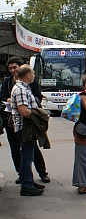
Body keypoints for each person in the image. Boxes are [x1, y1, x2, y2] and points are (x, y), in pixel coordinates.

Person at [0, 56, 50, 185]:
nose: (12, 70)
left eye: (14, 67)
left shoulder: (28, 85)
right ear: (27, 74)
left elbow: (37, 96)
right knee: (21, 153)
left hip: (25, 123)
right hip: (18, 122)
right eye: (10, 68)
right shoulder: (15, 85)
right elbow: (22, 109)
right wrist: (38, 116)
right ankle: (26, 180)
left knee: (31, 151)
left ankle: (39, 174)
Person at [10, 64, 45, 196]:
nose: (34, 76)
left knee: (28, 155)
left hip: (27, 127)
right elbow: (24, 111)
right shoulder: (20, 89)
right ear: (28, 75)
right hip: (25, 127)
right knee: (26, 156)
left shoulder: (24, 88)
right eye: (33, 74)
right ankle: (26, 185)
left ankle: (28, 180)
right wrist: (38, 116)